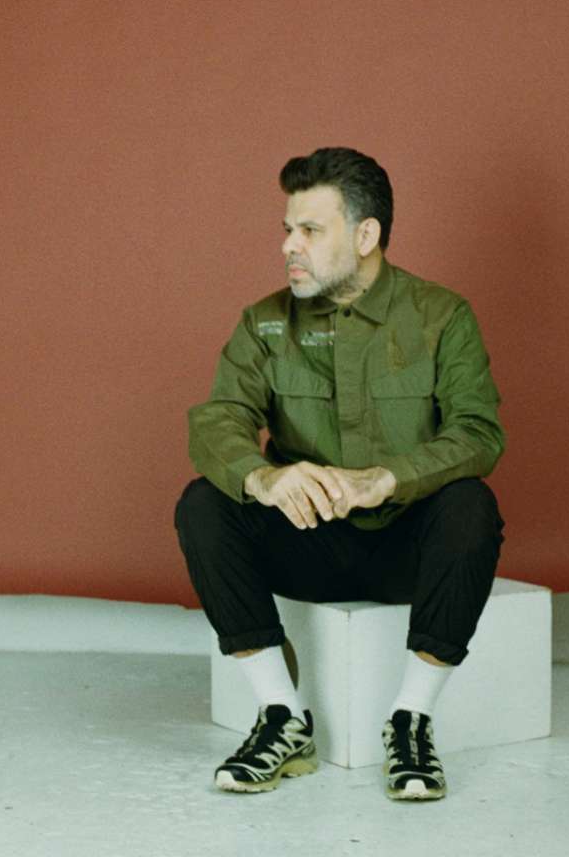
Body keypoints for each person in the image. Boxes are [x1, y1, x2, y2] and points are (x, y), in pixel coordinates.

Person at [175, 147, 505, 800]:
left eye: (309, 230)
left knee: (471, 505)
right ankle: (281, 717)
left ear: (365, 235)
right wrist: (264, 478)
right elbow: (218, 421)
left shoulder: (441, 316)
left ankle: (411, 722)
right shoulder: (265, 323)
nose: (288, 246)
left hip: (406, 548)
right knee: (203, 504)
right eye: (286, 229)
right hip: (306, 543)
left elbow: (478, 432)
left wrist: (388, 478)